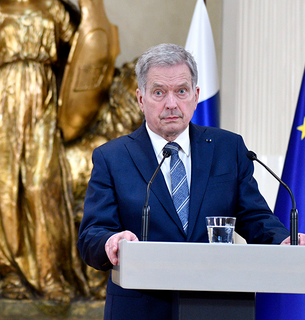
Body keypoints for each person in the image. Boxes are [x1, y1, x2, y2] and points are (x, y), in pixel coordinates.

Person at [77, 43, 305, 319]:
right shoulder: (112, 157)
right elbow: (91, 235)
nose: (171, 103)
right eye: (159, 92)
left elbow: (255, 216)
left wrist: (282, 241)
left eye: (181, 91)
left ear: (195, 96)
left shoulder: (228, 148)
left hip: (218, 305)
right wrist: (112, 240)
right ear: (140, 98)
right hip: (141, 308)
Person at [0, 0, 87, 302]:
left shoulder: (53, 8)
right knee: (4, 189)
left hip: (42, 97)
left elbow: (84, 50)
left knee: (41, 187)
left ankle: (51, 274)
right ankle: (11, 274)